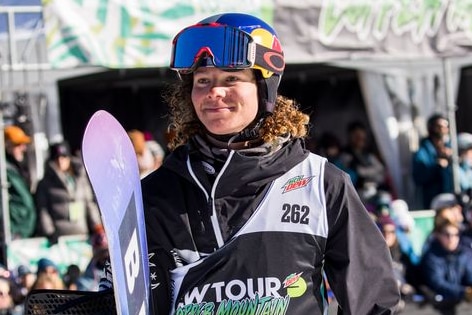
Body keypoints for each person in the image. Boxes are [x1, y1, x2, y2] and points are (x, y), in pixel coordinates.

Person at [99, 13, 400, 314]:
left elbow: (373, 299)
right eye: (202, 81)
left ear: (263, 86)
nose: (214, 92)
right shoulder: (154, 195)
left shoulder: (320, 183)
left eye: (231, 78)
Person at [35, 141, 103, 243]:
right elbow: (43, 210)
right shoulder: (44, 184)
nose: (60, 160)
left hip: (82, 234)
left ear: (69, 158)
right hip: (60, 237)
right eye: (56, 157)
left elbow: (89, 204)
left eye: (64, 156)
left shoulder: (80, 178)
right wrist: (49, 232)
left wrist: (97, 226)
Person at [420, 219, 472, 314]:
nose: (451, 238)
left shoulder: (463, 254)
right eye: (447, 235)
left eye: (455, 235)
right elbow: (437, 283)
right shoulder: (431, 256)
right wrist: (463, 292)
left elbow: (469, 277)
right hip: (436, 305)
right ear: (439, 235)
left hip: (459, 302)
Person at [339, 121, 392, 202]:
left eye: (361, 137)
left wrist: (367, 172)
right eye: (356, 137)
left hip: (374, 189)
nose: (360, 140)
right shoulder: (346, 155)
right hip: (357, 193)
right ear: (350, 137)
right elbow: (353, 173)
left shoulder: (368, 154)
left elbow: (381, 170)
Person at [412, 113, 454, 209]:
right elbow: (418, 177)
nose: (443, 130)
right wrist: (436, 166)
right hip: (432, 198)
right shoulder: (422, 152)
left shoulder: (450, 147)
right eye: (439, 127)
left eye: (445, 126)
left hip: (449, 196)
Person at [3, 125, 37, 240]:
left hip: (22, 231)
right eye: (18, 144)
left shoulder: (16, 168)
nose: (23, 148)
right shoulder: (4, 171)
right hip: (12, 231)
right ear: (6, 145)